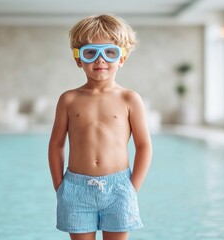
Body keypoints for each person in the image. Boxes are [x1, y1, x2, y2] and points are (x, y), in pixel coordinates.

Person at [48, 14, 152, 240]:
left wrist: (131, 188)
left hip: (119, 189)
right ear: (78, 59)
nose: (100, 60)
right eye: (90, 53)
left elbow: (144, 146)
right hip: (75, 189)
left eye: (110, 52)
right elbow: (56, 144)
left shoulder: (129, 99)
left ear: (122, 58)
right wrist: (60, 186)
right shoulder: (69, 99)